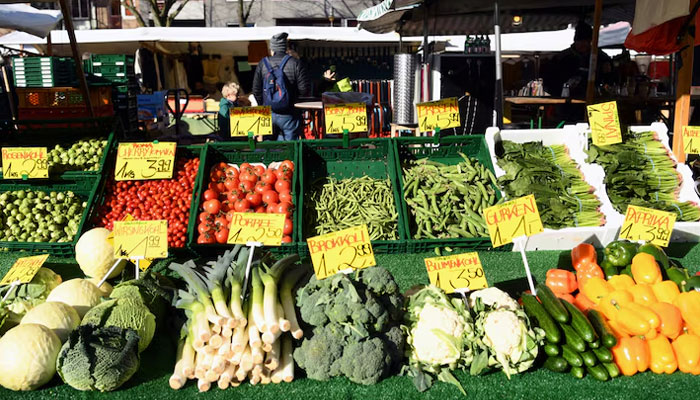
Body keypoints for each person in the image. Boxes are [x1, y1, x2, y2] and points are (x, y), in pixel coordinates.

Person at [252, 32, 311, 141]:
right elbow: (304, 89)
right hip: (289, 113)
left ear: (272, 49)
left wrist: (265, 105)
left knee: (269, 145)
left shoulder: (263, 64)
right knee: (290, 147)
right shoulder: (295, 63)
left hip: (268, 113)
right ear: (285, 48)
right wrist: (293, 103)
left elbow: (256, 90)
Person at [543, 22, 613, 99]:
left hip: (597, 99)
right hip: (568, 102)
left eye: (586, 41)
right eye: (580, 41)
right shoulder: (561, 58)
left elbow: (611, 80)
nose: (583, 44)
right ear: (575, 41)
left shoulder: (601, 57)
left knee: (605, 109)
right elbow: (549, 82)